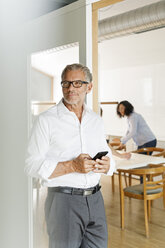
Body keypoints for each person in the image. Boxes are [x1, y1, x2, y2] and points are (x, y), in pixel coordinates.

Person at [25, 63, 115, 248]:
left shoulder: (96, 121)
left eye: (77, 83)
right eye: (66, 83)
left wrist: (108, 165)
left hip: (96, 200)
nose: (70, 88)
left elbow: (109, 157)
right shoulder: (46, 121)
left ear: (89, 87)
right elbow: (30, 165)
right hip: (63, 203)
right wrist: (72, 166)